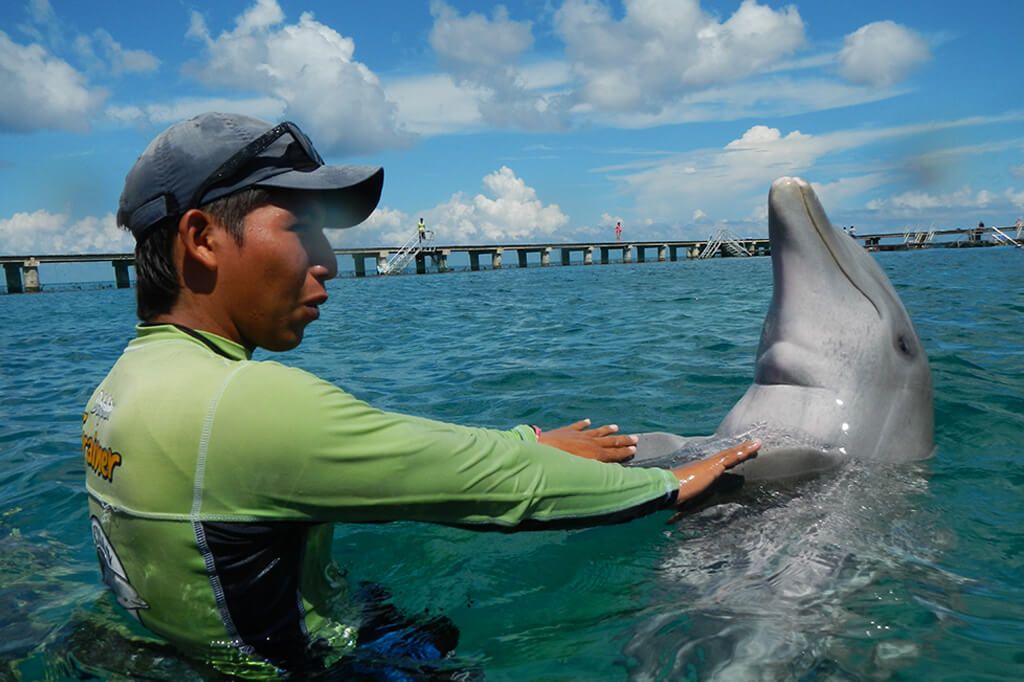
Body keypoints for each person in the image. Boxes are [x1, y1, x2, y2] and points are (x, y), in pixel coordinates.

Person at [82, 113, 759, 677]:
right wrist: (671, 483)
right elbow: (498, 489)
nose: (329, 261)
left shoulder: (123, 387)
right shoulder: (244, 403)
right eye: (301, 229)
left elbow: (410, 453)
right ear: (201, 239)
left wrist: (526, 442)